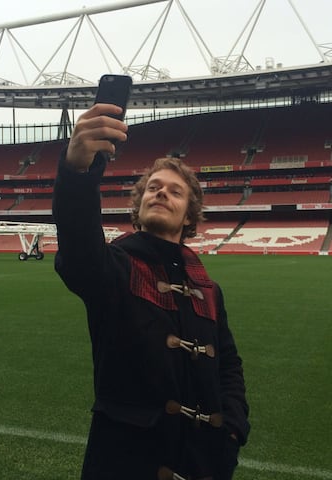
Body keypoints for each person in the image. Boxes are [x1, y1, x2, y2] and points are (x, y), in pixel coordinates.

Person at [53, 103, 250, 480]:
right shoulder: (114, 267)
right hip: (125, 464)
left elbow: (229, 366)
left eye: (175, 192)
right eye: (153, 188)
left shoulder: (208, 288)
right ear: (138, 205)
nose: (161, 194)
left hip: (204, 463)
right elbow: (79, 251)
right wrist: (77, 171)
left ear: (190, 215)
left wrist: (232, 429)